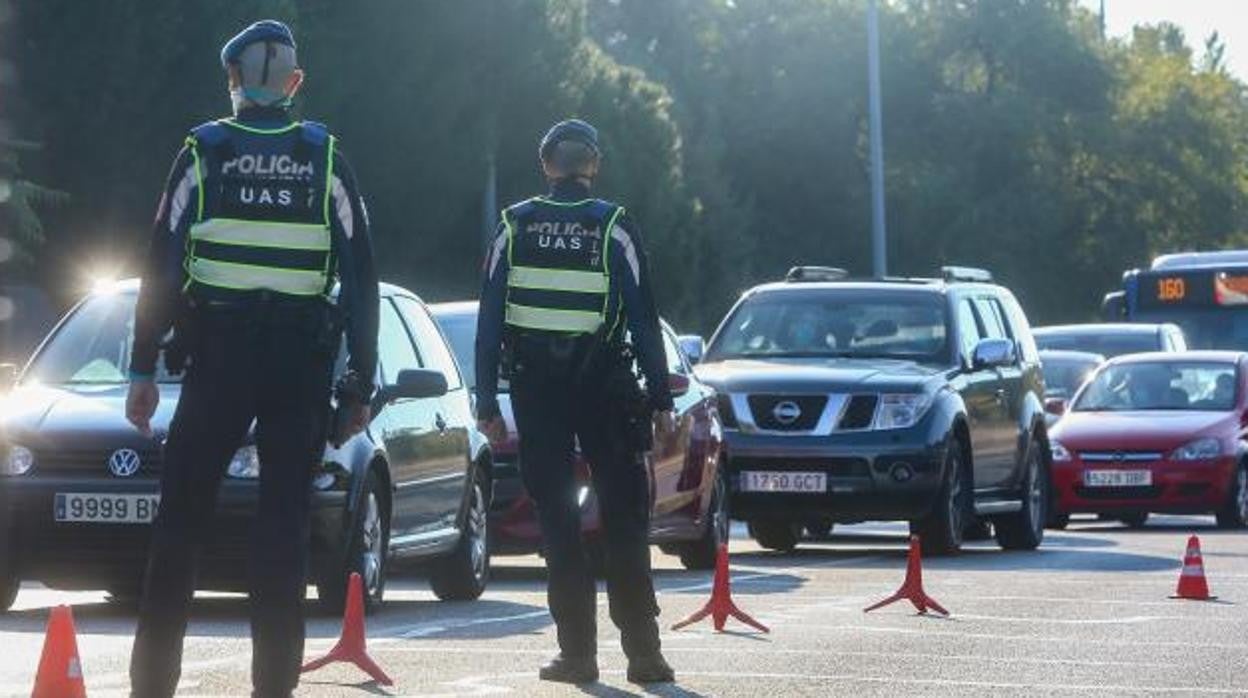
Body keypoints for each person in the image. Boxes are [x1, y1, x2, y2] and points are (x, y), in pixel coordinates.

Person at [124, 20, 379, 698]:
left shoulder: (201, 153)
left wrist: (142, 368)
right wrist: (359, 386)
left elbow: (159, 267)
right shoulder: (327, 159)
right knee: (281, 533)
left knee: (179, 524)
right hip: (299, 366)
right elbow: (361, 278)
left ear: (231, 81)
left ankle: (151, 687)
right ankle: (273, 689)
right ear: (295, 85)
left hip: (216, 359)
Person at [475, 119, 676, 685]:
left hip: (539, 394)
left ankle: (577, 655)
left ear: (546, 165)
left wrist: (486, 401)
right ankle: (644, 654)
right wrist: (661, 401)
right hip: (607, 387)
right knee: (625, 519)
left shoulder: (514, 225)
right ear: (593, 166)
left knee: (559, 523)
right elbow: (643, 319)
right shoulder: (615, 226)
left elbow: (490, 321)